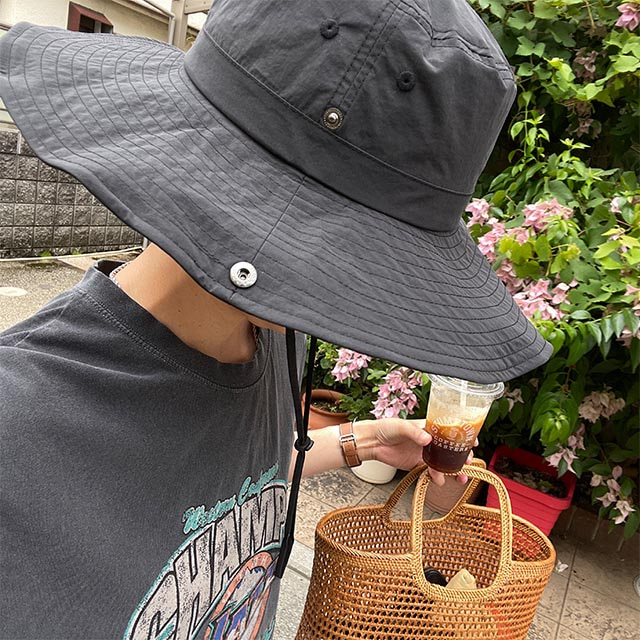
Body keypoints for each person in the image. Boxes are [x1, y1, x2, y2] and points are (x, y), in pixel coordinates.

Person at [0, 0, 552, 638]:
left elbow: (237, 475)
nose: (367, 291)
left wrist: (364, 442)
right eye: (368, 253)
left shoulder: (273, 332)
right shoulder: (20, 428)